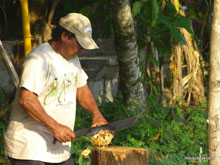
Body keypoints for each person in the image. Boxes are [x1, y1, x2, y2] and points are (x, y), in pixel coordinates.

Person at [4, 13, 108, 165]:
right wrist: (55, 127)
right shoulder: (39, 59)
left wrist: (96, 114)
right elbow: (26, 100)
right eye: (79, 44)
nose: (82, 50)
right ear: (65, 36)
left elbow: (82, 90)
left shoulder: (73, 59)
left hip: (59, 150)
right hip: (30, 149)